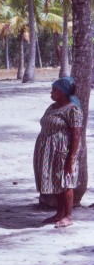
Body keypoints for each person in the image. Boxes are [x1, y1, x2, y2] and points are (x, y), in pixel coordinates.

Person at [34, 77, 82, 228]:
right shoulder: (52, 107)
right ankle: (59, 213)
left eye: (54, 90)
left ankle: (68, 216)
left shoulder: (72, 109)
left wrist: (71, 157)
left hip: (62, 151)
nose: (51, 92)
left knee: (65, 181)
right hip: (47, 151)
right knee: (55, 181)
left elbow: (76, 135)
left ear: (63, 92)